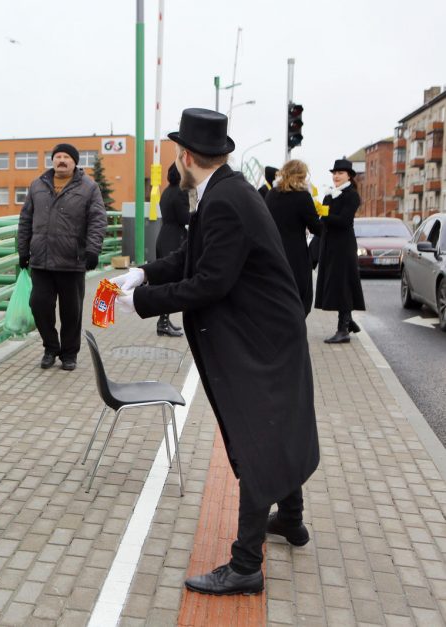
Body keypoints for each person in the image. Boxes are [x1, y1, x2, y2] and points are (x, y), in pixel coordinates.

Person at [113, 108, 319, 596]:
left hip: (259, 338)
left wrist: (139, 303)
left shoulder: (223, 199)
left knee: (256, 439)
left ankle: (246, 565)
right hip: (271, 332)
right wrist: (144, 272)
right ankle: (291, 520)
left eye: (176, 153)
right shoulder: (225, 191)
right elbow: (192, 256)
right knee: (277, 426)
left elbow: (211, 281)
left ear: (186, 156)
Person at [17, 143, 107, 371]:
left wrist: (93, 249)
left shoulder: (89, 187)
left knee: (71, 312)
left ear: (75, 162)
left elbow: (98, 220)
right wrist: (22, 250)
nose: (62, 160)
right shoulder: (37, 185)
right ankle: (50, 347)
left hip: (72, 260)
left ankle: (69, 353)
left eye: (67, 157)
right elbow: (26, 219)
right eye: (58, 156)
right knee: (39, 305)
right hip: (41, 260)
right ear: (52, 160)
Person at [314, 158, 365, 343]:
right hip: (330, 246)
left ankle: (343, 329)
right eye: (334, 173)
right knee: (334, 285)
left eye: (340, 173)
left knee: (343, 285)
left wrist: (325, 214)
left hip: (344, 247)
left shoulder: (351, 195)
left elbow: (344, 221)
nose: (336, 176)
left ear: (349, 176)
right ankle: (348, 321)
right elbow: (322, 222)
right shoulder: (329, 194)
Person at [265, 159, 322, 315]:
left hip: (273, 252)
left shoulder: (271, 195)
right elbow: (316, 228)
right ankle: (294, 331)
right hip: (296, 254)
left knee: (277, 294)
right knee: (300, 297)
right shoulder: (302, 197)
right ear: (301, 176)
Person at [154, 163, 189, 337]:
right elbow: (184, 217)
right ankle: (163, 323)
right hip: (176, 237)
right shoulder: (181, 192)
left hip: (163, 236)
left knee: (165, 280)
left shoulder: (166, 191)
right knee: (170, 282)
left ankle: (164, 321)